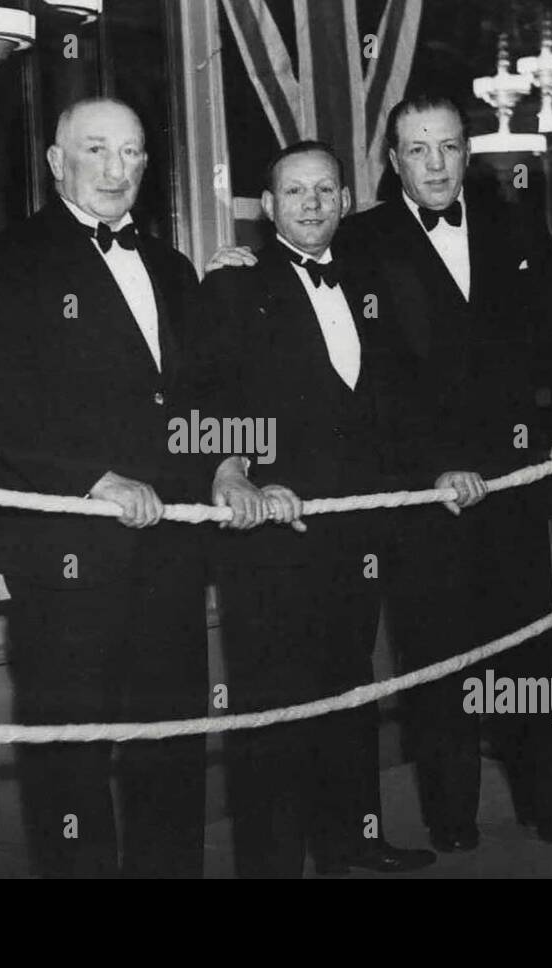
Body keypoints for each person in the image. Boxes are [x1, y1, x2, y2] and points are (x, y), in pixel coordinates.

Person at [339, 93, 552, 849]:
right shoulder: (362, 239)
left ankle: (548, 802)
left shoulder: (515, 225)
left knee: (528, 648)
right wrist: (239, 264)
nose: (436, 165)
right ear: (393, 162)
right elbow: (365, 374)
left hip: (515, 482)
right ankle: (452, 817)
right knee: (438, 656)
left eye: (448, 147)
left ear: (468, 152)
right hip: (423, 492)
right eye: (418, 150)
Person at [0, 97, 212, 876]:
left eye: (133, 152)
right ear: (55, 162)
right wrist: (93, 480)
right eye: (97, 150)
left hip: (170, 548)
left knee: (170, 741)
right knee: (70, 758)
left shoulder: (173, 266)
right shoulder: (5, 261)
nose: (118, 169)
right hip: (68, 553)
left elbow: (196, 398)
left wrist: (228, 465)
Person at [198, 141, 436, 875]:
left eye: (325, 190)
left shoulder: (375, 282)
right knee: (272, 707)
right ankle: (270, 865)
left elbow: (403, 396)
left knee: (349, 686)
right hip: (269, 532)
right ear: (267, 209)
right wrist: (237, 470)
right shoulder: (230, 286)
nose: (311, 204)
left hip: (356, 531)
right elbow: (209, 399)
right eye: (294, 192)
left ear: (344, 201)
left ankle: (351, 839)